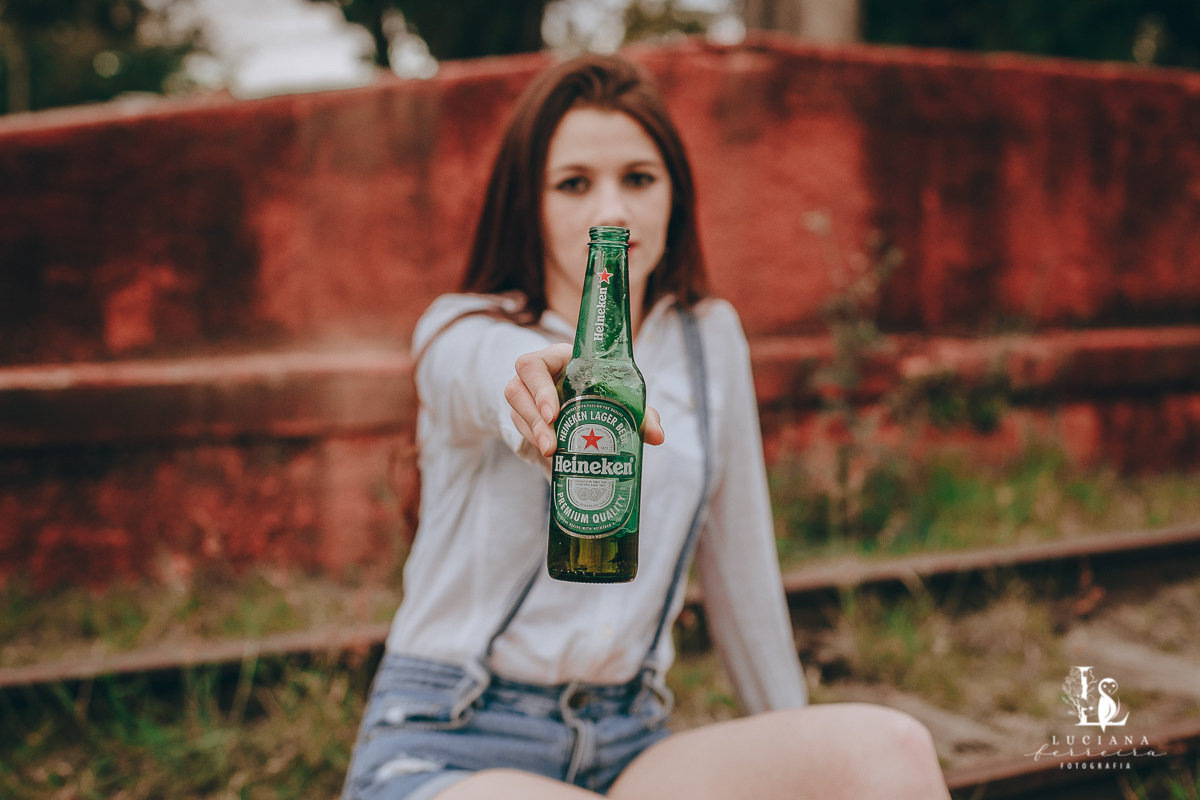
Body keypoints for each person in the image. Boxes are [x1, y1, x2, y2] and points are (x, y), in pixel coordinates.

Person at [341, 54, 950, 800]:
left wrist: (793, 749)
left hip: (628, 739)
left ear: (675, 195)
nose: (613, 212)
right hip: (452, 736)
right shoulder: (464, 327)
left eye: (638, 178)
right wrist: (532, 395)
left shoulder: (708, 337)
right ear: (527, 205)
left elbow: (743, 572)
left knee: (891, 749)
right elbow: (482, 373)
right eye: (574, 184)